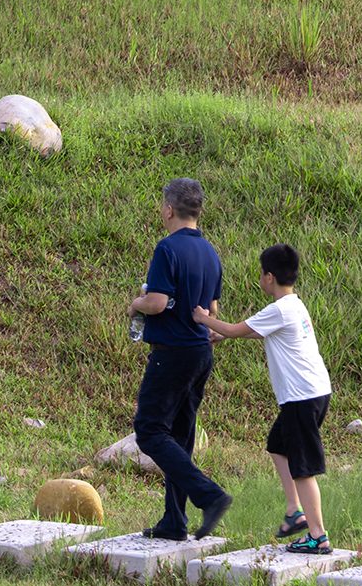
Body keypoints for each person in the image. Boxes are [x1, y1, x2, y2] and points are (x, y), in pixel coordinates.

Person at [193, 243, 335, 554]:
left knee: (303, 468)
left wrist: (204, 319)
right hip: (314, 391)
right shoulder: (294, 306)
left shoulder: (280, 308)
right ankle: (293, 511)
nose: (259, 279)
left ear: (269, 277)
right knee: (277, 445)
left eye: (260, 274)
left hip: (301, 397)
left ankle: (317, 536)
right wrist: (223, 334)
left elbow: (234, 328)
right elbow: (256, 331)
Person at [125, 178, 233, 542]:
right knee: (181, 437)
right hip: (201, 352)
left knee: (150, 431)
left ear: (168, 210)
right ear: (198, 211)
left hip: (172, 353)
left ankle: (209, 495)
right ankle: (174, 521)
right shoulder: (210, 253)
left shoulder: (167, 248)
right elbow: (212, 310)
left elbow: (155, 302)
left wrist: (135, 305)